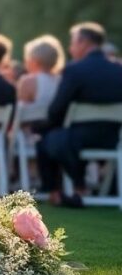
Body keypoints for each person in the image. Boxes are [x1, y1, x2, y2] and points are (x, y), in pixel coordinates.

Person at [38, 22, 122, 207]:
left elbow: (56, 110)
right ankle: (80, 186)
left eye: (73, 42)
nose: (70, 47)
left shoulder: (74, 70)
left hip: (78, 139)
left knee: (46, 141)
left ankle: (58, 192)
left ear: (83, 43)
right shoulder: (119, 71)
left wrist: (42, 127)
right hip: (113, 138)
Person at [17, 35, 64, 113]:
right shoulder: (63, 82)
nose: (25, 62)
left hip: (33, 124)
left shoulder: (28, 82)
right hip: (57, 124)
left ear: (35, 61)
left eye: (27, 58)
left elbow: (20, 114)